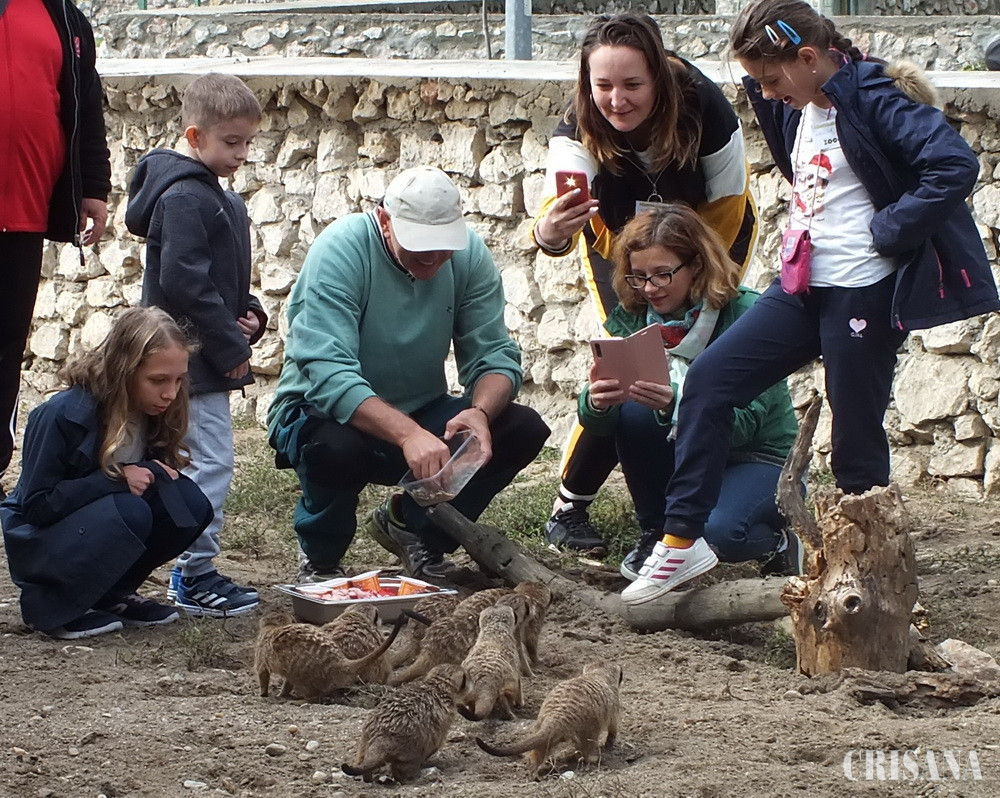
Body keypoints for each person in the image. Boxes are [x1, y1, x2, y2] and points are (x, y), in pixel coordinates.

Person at [623, 0, 1000, 605]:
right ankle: (681, 540)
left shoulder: (873, 97)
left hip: (863, 289)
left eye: (772, 79)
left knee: (855, 436)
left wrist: (889, 230)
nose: (766, 92)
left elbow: (954, 164)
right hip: (801, 286)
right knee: (710, 381)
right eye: (759, 81)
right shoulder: (794, 101)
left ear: (808, 58)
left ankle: (869, 581)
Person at [530, 13, 760, 556]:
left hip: (711, 238)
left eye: (632, 84)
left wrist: (693, 278)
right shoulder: (577, 124)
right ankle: (570, 504)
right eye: (603, 85)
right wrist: (551, 231)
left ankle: (712, 481)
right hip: (622, 244)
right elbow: (554, 220)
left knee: (704, 357)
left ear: (658, 75)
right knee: (628, 368)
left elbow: (727, 205)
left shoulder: (707, 109)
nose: (617, 100)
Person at [267, 166, 551, 582]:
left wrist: (480, 413)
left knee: (521, 427)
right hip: (316, 411)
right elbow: (327, 372)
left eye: (443, 247)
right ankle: (321, 558)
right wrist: (407, 434)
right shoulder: (341, 249)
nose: (433, 259)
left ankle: (416, 530)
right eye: (420, 247)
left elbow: (494, 354)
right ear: (385, 221)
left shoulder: (469, 255)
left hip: (419, 410)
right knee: (335, 448)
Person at [578, 205, 798, 582]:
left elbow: (746, 424)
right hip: (685, 452)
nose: (650, 288)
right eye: (638, 277)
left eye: (663, 274)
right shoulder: (635, 315)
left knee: (716, 534)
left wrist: (674, 402)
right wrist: (596, 402)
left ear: (696, 264)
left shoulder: (746, 313)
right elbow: (601, 424)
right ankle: (656, 532)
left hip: (755, 456)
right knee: (635, 409)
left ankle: (777, 543)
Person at [126, 73, 267, 618]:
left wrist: (249, 313)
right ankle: (194, 572)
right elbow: (184, 280)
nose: (242, 153)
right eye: (232, 142)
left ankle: (181, 566)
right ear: (194, 135)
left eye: (248, 142)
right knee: (210, 462)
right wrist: (230, 345)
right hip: (190, 363)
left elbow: (222, 279)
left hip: (199, 353)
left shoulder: (216, 196)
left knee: (188, 461)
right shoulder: (186, 197)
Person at [0, 307, 212, 640]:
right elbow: (37, 506)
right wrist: (117, 479)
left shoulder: (152, 410)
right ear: (124, 369)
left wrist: (151, 474)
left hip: (95, 524)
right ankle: (52, 604)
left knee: (187, 504)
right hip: (40, 540)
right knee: (131, 509)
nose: (171, 393)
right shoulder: (62, 414)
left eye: (178, 379)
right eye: (158, 380)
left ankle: (112, 593)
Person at [0, 0, 111, 492]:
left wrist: (94, 186)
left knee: (6, 348)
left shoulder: (64, 16)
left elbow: (86, 105)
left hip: (22, 214)